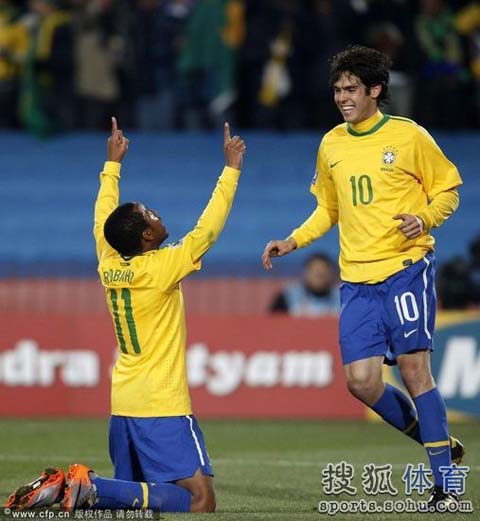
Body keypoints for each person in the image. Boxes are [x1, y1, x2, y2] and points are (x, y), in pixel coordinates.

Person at [5, 117, 246, 513]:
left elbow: (103, 219)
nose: (157, 214)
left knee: (141, 501)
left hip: (123, 401)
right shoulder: (160, 269)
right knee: (201, 501)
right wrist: (231, 171)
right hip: (162, 403)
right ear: (147, 236)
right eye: (151, 214)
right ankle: (91, 487)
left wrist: (111, 166)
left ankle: (78, 490)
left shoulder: (108, 260)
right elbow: (207, 230)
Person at [262, 45, 465, 510]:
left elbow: (449, 188)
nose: (342, 97)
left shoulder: (409, 136)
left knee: (415, 372)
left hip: (405, 269)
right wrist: (293, 240)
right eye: (337, 89)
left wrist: (425, 218)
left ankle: (445, 484)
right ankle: (439, 446)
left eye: (351, 88)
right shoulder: (331, 143)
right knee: (361, 382)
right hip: (355, 281)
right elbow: (328, 209)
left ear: (375, 90)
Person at [269, 252, 340, 316]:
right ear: (306, 273)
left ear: (331, 274)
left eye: (323, 272)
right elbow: (273, 324)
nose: (319, 275)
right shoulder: (287, 297)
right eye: (315, 272)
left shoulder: (342, 299)